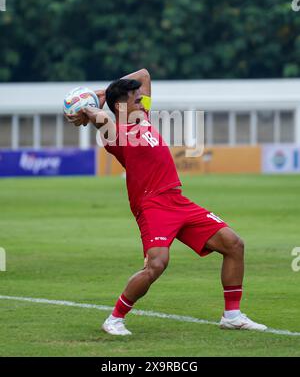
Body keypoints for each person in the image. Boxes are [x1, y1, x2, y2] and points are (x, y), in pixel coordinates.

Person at [68, 68, 267, 335]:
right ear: (120, 106)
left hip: (177, 200)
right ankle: (114, 319)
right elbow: (101, 117)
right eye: (135, 99)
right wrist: (90, 107)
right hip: (152, 206)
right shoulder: (113, 135)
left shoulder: (142, 117)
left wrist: (100, 92)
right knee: (157, 264)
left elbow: (145, 75)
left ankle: (232, 315)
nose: (142, 101)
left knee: (234, 244)